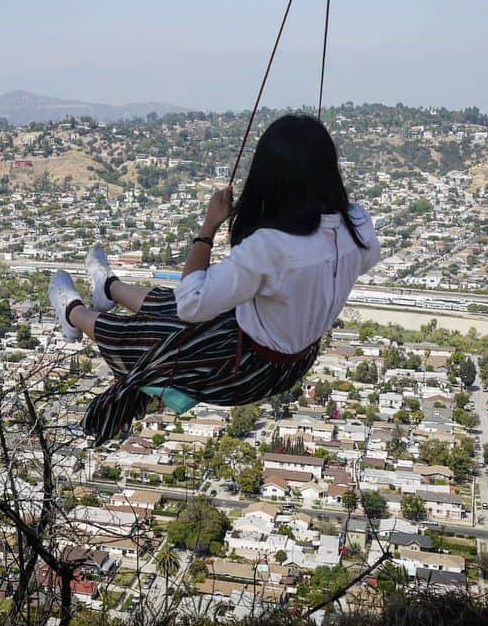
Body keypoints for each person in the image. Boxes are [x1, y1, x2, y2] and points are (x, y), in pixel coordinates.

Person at [50, 113, 380, 443]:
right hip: (294, 354)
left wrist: (208, 227)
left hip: (247, 370)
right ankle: (109, 288)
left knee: (153, 333)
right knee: (167, 302)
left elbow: (190, 304)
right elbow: (354, 263)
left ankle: (72, 313)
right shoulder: (357, 224)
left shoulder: (271, 247)